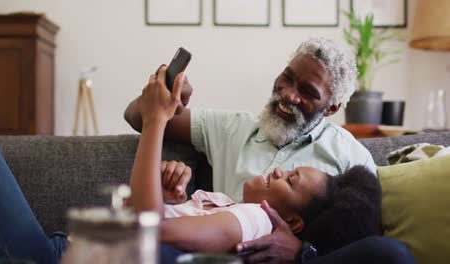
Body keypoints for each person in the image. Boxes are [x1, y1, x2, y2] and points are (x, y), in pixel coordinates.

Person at [124, 38, 415, 263]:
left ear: (332, 108)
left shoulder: (351, 155)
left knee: (390, 253)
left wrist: (303, 252)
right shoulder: (233, 127)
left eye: (308, 92)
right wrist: (172, 100)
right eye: (287, 78)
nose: (289, 94)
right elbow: (137, 116)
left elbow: (366, 243)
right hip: (219, 247)